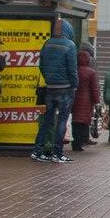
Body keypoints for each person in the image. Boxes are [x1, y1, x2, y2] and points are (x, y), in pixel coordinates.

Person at [33, 19, 78, 163]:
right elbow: (72, 69)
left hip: (50, 88)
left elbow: (41, 65)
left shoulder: (46, 43)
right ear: (68, 30)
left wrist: (49, 79)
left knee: (47, 121)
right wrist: (74, 84)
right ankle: (57, 153)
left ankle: (38, 151)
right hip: (65, 89)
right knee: (62, 121)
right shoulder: (70, 45)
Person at [70, 49, 100, 151]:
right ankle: (80, 143)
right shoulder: (92, 72)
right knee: (83, 122)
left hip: (75, 99)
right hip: (87, 101)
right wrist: (97, 101)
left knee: (75, 121)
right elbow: (94, 89)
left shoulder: (75, 70)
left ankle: (75, 142)